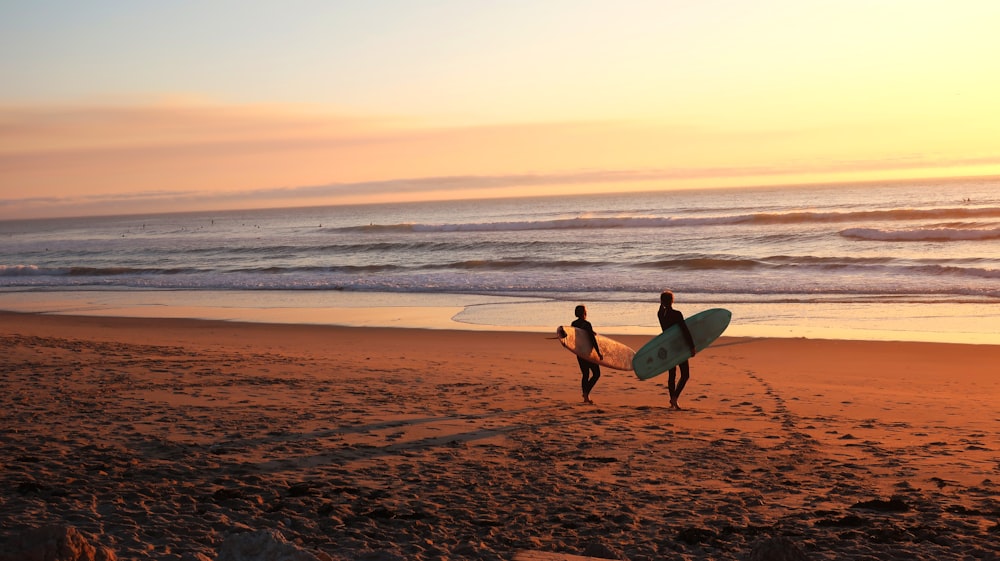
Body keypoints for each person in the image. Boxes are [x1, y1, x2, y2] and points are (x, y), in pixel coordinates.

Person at [657, 290, 696, 410]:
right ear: (672, 300)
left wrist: (662, 302)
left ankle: (672, 400)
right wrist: (692, 346)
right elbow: (685, 330)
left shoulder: (660, 314)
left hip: (668, 347)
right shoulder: (677, 314)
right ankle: (674, 398)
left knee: (672, 374)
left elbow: (661, 309)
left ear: (662, 302)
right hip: (679, 347)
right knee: (685, 374)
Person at [571, 304, 603, 404]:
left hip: (579, 352)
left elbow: (575, 337)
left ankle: (586, 397)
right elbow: (592, 340)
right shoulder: (587, 324)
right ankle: (586, 393)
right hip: (588, 353)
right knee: (596, 374)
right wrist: (598, 352)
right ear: (584, 313)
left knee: (585, 374)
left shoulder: (573, 323)